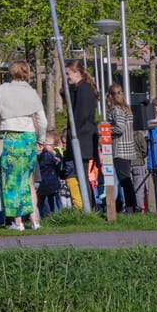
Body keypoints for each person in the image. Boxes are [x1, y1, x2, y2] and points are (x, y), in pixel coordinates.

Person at [0, 61, 47, 231]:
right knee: (28, 180)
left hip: (9, 138)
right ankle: (35, 221)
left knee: (11, 181)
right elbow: (43, 121)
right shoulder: (31, 92)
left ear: (10, 73)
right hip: (28, 139)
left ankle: (18, 223)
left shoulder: (3, 90)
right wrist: (41, 139)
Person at [65, 63, 101, 206]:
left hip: (82, 138)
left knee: (82, 175)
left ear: (76, 73)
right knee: (82, 175)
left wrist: (73, 134)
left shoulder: (83, 89)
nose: (67, 77)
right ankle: (89, 206)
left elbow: (81, 114)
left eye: (68, 74)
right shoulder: (81, 89)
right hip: (84, 137)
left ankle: (88, 206)